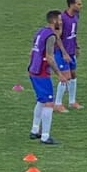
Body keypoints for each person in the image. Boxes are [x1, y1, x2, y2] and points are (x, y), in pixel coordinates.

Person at [28, 10, 67, 144]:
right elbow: (50, 58)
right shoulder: (50, 36)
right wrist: (60, 74)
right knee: (49, 103)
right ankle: (45, 137)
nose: (61, 22)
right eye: (60, 20)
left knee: (41, 101)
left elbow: (31, 52)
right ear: (54, 20)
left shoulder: (40, 32)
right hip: (41, 72)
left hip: (33, 70)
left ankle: (34, 131)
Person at [54, 0, 84, 113]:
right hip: (61, 52)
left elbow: (73, 32)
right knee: (65, 77)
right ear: (71, 5)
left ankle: (72, 102)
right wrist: (64, 52)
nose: (81, 6)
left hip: (71, 51)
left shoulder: (76, 16)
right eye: (78, 4)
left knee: (73, 75)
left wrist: (76, 46)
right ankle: (57, 104)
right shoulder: (61, 18)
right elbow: (57, 37)